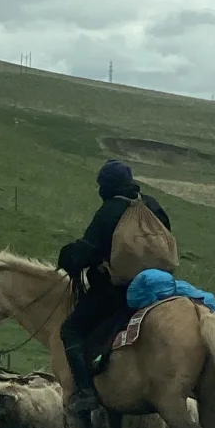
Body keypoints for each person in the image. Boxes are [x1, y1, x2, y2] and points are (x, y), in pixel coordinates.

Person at [56, 159, 171, 413]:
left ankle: (86, 392)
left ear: (106, 186)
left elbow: (87, 252)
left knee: (71, 330)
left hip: (119, 292)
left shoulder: (110, 211)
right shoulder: (151, 205)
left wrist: (67, 256)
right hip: (160, 286)